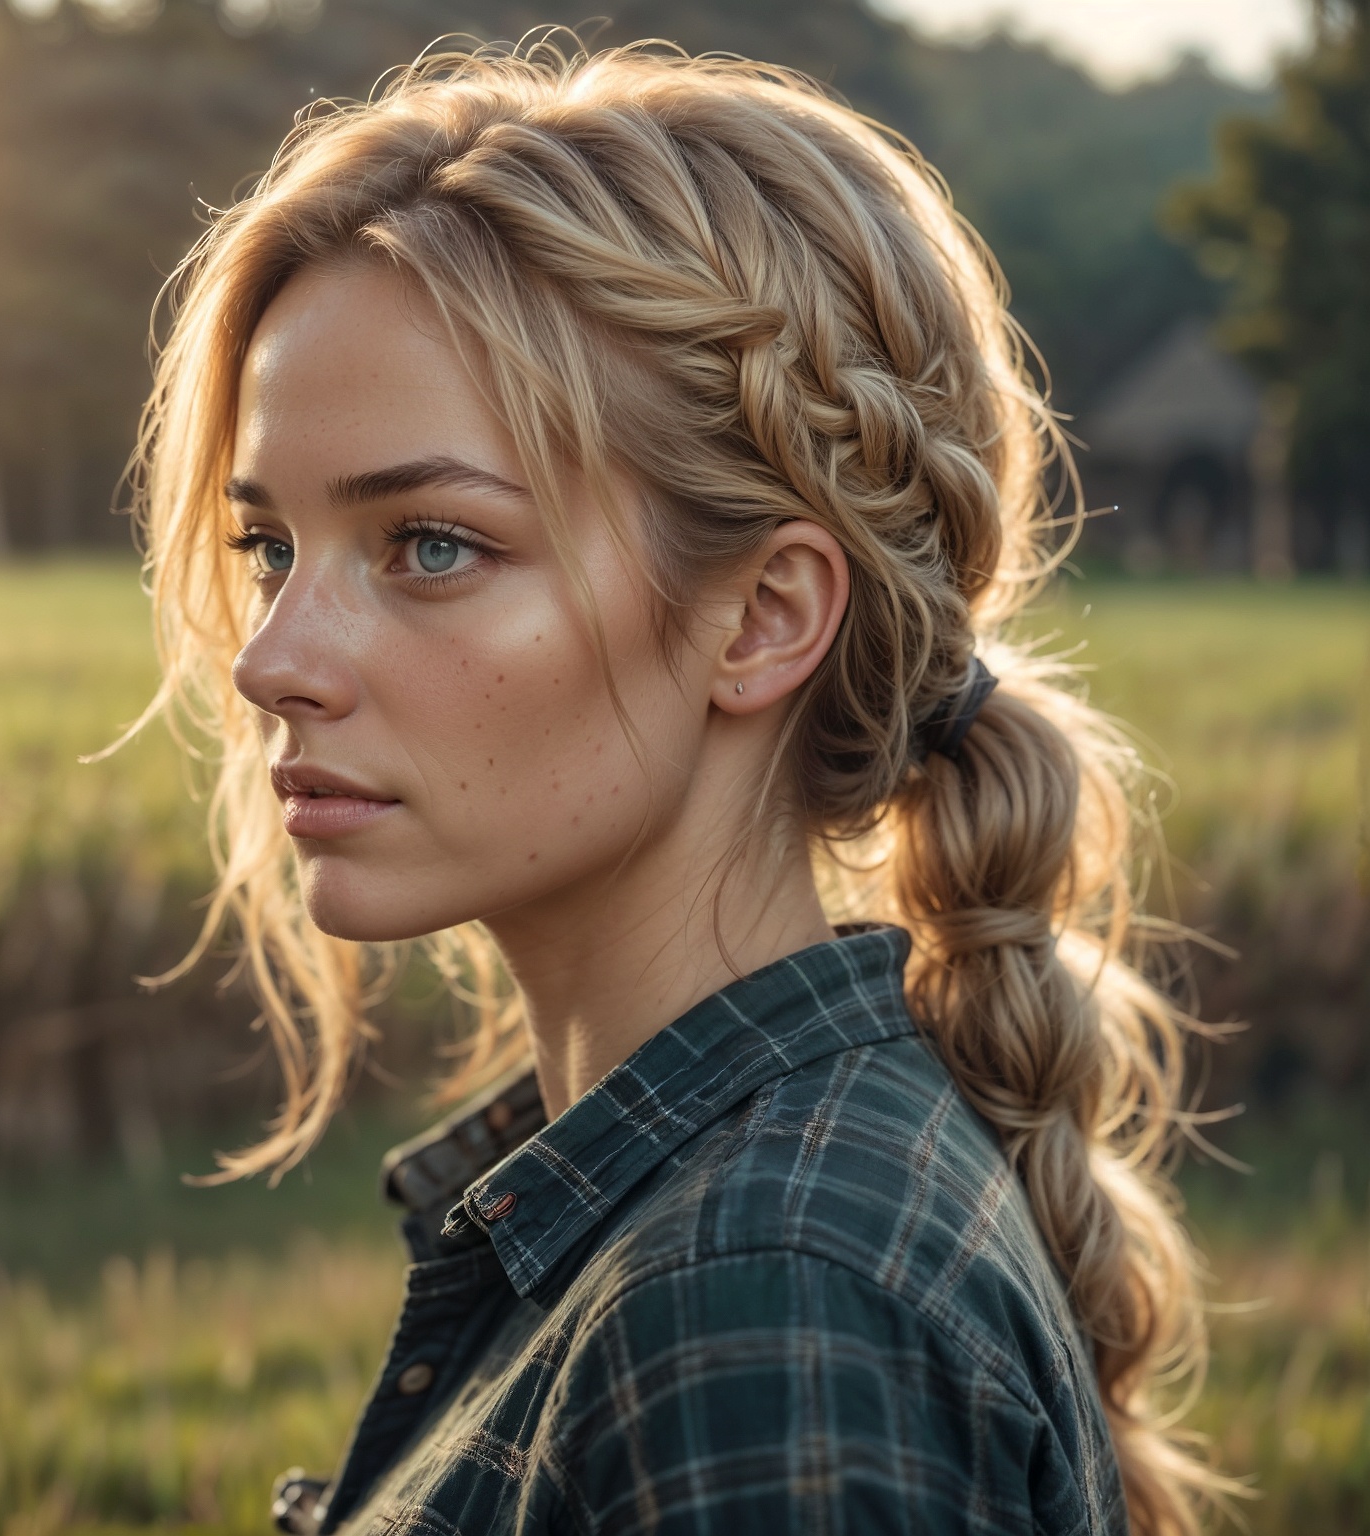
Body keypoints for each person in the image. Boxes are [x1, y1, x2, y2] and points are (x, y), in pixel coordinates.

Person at [130, 37, 1228, 1535]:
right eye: (270, 548)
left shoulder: (767, 1310)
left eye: (432, 545)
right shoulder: (714, 1208)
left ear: (766, 616)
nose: (271, 662)